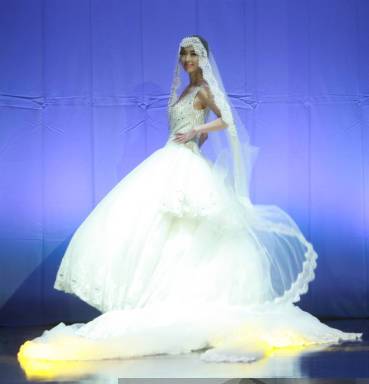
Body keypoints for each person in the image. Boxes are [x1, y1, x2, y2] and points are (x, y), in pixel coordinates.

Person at [18, 35, 362, 363]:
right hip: (169, 160)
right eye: (183, 54)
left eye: (193, 54)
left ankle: (186, 301)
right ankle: (155, 298)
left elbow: (227, 121)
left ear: (204, 58)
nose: (186, 60)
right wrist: (194, 137)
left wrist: (198, 132)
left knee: (191, 230)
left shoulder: (203, 89)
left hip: (185, 164)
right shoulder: (185, 88)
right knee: (158, 230)